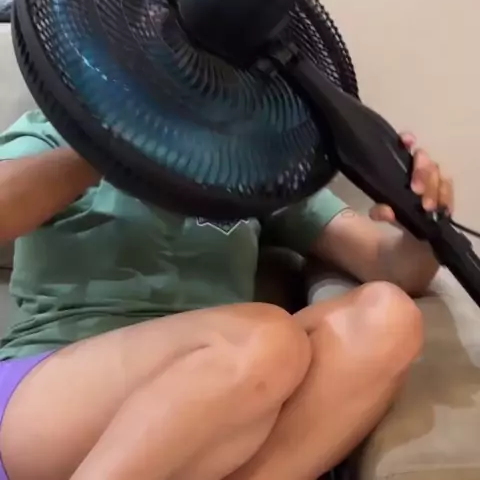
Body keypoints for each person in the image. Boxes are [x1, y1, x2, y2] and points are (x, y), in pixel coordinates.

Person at [0, 110, 453, 480]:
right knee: (260, 338)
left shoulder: (248, 164)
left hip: (222, 403)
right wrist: (106, 146)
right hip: (48, 400)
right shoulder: (55, 126)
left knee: (387, 319)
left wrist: (423, 225)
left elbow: (392, 267)